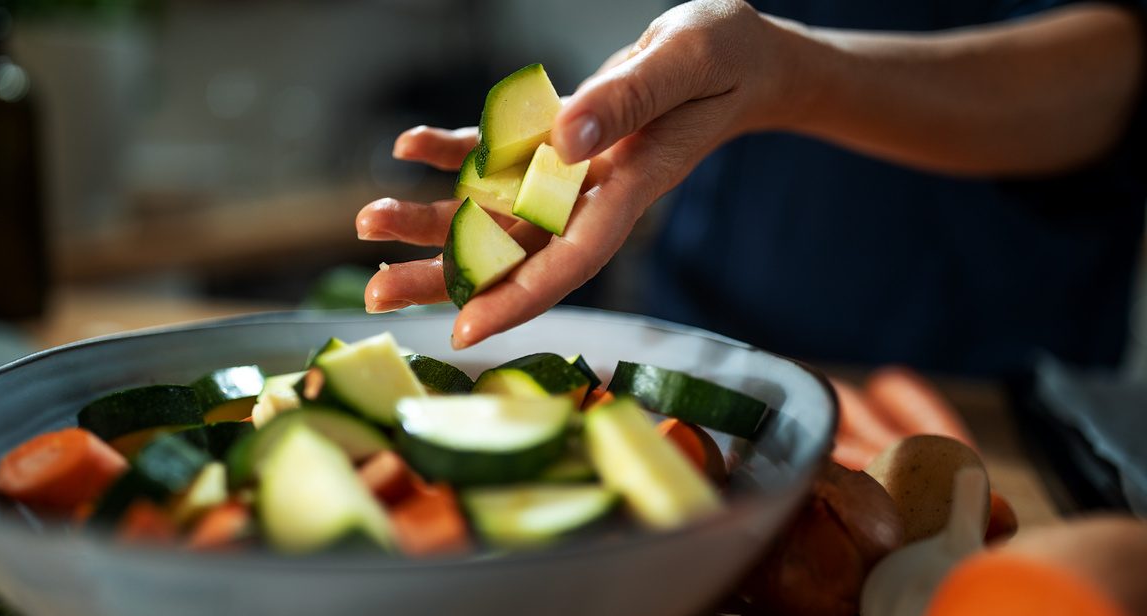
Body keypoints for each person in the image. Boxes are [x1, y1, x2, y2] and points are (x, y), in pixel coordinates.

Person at [355, 0, 1146, 376]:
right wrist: (642, 101)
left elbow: (1121, 74)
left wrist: (791, 72)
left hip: (979, 367)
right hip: (705, 328)